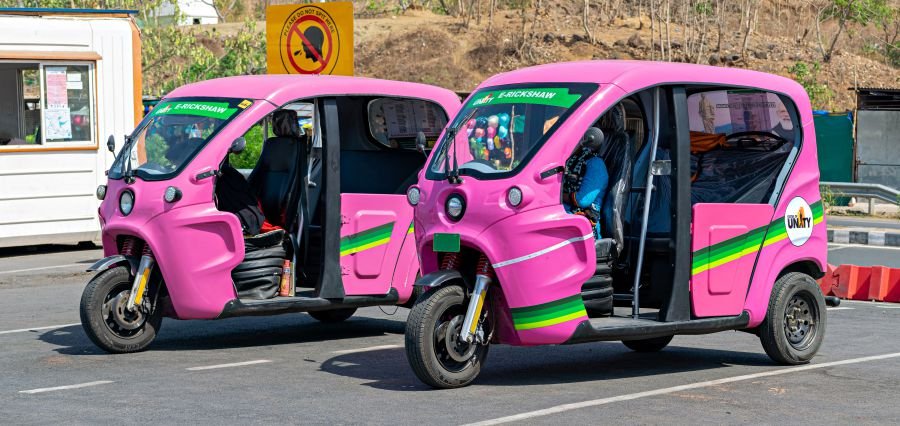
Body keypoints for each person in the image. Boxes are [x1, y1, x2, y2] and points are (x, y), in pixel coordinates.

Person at [564, 127, 609, 238]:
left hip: (584, 223)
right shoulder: (573, 160)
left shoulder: (595, 164)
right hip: (568, 214)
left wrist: (557, 196)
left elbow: (582, 200)